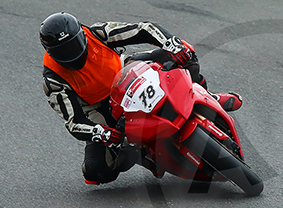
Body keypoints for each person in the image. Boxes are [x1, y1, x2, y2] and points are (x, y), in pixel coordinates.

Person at [39, 11, 242, 185]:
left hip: (126, 73)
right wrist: (101, 133)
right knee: (95, 171)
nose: (70, 53)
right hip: (99, 109)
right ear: (50, 52)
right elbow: (74, 122)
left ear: (81, 36)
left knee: (183, 53)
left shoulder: (96, 33)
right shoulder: (53, 80)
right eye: (62, 51)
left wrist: (170, 42)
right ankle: (138, 152)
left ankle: (206, 96)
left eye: (73, 45)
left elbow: (143, 29)